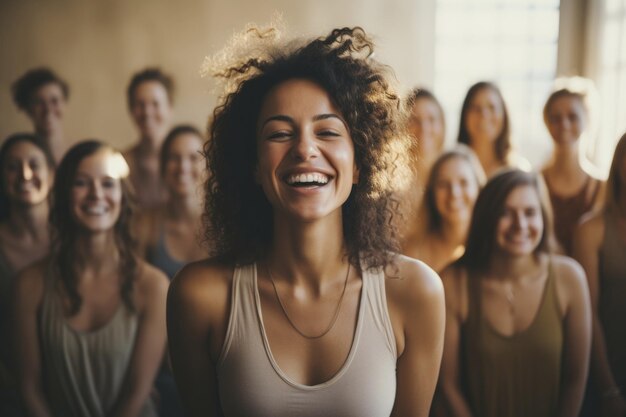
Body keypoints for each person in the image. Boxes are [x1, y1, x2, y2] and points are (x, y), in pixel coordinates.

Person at [167, 26, 445, 417]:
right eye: (279, 133)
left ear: (360, 163)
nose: (304, 149)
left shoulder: (415, 293)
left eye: (328, 131)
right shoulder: (201, 297)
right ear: (253, 167)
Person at [14, 140, 168, 417]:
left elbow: (137, 393)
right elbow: (29, 388)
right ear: (63, 194)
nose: (96, 194)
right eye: (81, 183)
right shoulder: (29, 284)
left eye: (108, 183)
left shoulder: (153, 286)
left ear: (122, 195)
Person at [440, 169, 591, 417]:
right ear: (487, 218)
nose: (520, 225)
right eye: (506, 213)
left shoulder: (570, 278)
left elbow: (575, 381)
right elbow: (448, 386)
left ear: (543, 216)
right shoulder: (453, 282)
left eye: (530, 213)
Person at [0, 133, 55, 416]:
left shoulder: (75, 239)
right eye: (12, 166)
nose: (24, 174)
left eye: (34, 164)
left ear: (52, 174)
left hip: (74, 385)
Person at [573, 133, 626, 417]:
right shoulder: (591, 230)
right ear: (619, 165)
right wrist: (608, 389)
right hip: (607, 374)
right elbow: (588, 313)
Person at [136, 124, 206, 279]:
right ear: (163, 167)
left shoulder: (222, 226)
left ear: (208, 167)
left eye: (193, 158)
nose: (183, 167)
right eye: (174, 158)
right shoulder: (145, 223)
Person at [403, 145, 485, 273]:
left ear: (478, 188)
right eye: (443, 184)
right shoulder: (412, 253)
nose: (454, 193)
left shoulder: (493, 249)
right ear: (431, 193)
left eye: (463, 183)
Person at [542, 88, 603, 255]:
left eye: (573, 117)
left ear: (587, 120)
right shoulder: (535, 181)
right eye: (556, 118)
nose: (564, 125)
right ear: (547, 123)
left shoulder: (603, 187)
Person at [400, 88, 447, 245]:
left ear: (442, 125)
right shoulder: (392, 182)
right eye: (415, 120)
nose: (424, 128)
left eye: (432, 120)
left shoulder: (454, 173)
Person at [124, 68, 174, 209]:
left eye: (155, 104)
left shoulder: (191, 163)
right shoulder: (121, 163)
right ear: (131, 110)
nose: (147, 112)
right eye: (140, 104)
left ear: (169, 108)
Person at [457, 81, 530, 177]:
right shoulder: (451, 167)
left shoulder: (518, 171)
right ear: (464, 116)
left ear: (504, 115)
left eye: (492, 107)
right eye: (476, 108)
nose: (484, 115)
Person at [11, 68, 69, 163]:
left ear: (64, 103)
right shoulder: (22, 158)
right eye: (39, 102)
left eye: (54, 101)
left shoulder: (77, 154)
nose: (48, 110)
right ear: (27, 109)